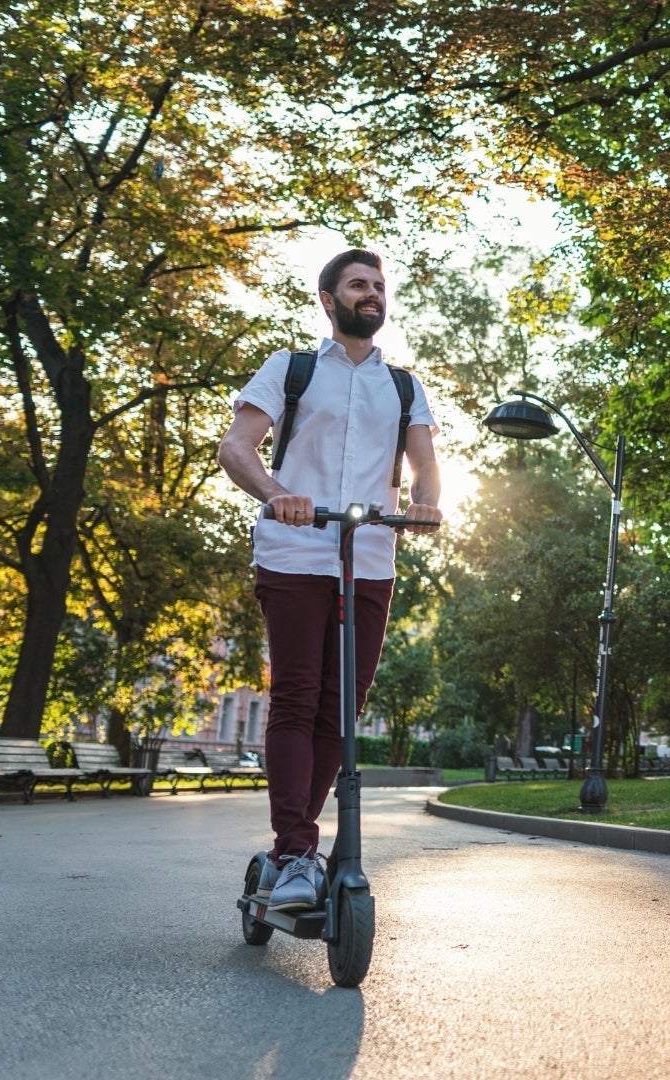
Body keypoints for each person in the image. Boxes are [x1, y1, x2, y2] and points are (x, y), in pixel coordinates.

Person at [218, 249, 442, 911]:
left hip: (369, 556)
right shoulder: (291, 370)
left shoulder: (403, 387)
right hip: (293, 552)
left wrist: (426, 503)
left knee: (342, 706)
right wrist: (275, 491)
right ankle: (294, 851)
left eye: (378, 285)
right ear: (328, 298)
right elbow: (237, 447)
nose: (371, 294)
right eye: (357, 285)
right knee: (295, 696)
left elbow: (427, 464)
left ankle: (295, 845)